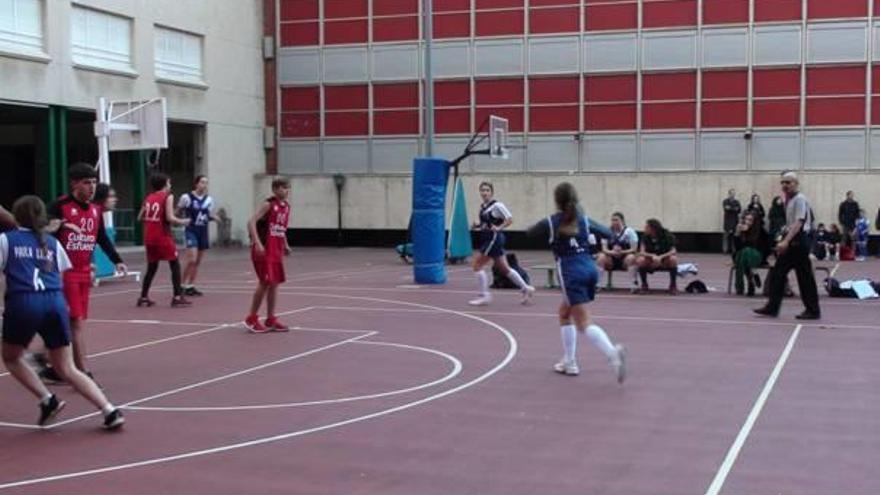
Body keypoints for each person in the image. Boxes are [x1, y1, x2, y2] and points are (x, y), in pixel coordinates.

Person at [1, 196, 124, 429]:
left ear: (16, 217)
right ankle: (109, 409)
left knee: (11, 357)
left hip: (24, 301)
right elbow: (60, 272)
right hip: (55, 301)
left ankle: (47, 399)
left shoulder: (6, 240)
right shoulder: (52, 243)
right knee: (66, 367)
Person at [525, 183, 626, 381]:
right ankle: (569, 362)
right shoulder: (584, 220)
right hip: (590, 269)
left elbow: (530, 233)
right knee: (564, 313)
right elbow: (610, 234)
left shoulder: (552, 222)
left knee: (583, 322)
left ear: (557, 201)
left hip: (572, 273)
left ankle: (613, 354)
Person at [39, 163, 126, 384]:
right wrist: (58, 226)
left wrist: (117, 260)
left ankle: (53, 365)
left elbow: (101, 238)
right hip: (63, 273)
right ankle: (82, 372)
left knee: (72, 322)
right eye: (87, 182)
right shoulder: (60, 206)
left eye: (94, 182)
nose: (92, 187)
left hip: (84, 273)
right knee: (76, 323)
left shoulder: (96, 210)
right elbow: (41, 227)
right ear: (74, 183)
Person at [754, 171, 820, 320]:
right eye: (783, 182)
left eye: (788, 182)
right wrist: (782, 237)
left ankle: (813, 310)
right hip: (792, 241)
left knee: (805, 278)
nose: (785, 185)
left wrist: (786, 241)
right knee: (778, 273)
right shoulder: (788, 201)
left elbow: (799, 222)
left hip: (799, 242)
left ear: (796, 184)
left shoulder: (800, 199)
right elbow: (790, 224)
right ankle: (772, 307)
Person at [468, 182, 535, 306]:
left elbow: (510, 219)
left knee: (477, 265)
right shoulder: (483, 207)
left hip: (493, 239)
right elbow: (487, 224)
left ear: (491, 192)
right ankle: (526, 288)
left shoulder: (497, 205)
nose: (484, 193)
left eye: (487, 190)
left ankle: (484, 296)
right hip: (488, 238)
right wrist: (477, 225)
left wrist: (499, 227)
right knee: (504, 269)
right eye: (482, 190)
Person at [244, 177, 293, 333]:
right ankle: (251, 318)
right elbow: (251, 222)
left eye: (288, 188)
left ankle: (271, 319)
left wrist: (285, 244)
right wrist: (257, 243)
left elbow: (280, 227)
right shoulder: (268, 205)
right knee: (264, 282)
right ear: (275, 189)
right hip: (264, 249)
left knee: (275, 282)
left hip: (276, 250)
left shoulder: (286, 207)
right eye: (284, 187)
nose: (287, 190)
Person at [137, 173, 191, 307]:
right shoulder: (168, 196)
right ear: (164, 184)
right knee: (175, 265)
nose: (170, 185)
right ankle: (177, 296)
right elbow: (170, 218)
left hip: (149, 236)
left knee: (152, 267)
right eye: (169, 183)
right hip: (162, 236)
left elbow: (140, 217)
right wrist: (184, 221)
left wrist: (152, 221)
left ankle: (143, 296)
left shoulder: (149, 197)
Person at [177, 175, 220, 296]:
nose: (204, 185)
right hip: (191, 230)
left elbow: (206, 216)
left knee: (197, 262)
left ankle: (190, 285)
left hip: (203, 231)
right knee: (192, 259)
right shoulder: (186, 197)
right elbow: (177, 212)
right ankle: (180, 285)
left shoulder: (209, 200)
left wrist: (213, 218)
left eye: (206, 183)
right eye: (202, 182)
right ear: (196, 184)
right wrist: (180, 221)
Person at [634, 219, 679, 294]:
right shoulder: (645, 237)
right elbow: (642, 252)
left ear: (653, 228)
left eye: (647, 227)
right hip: (650, 260)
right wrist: (652, 256)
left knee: (673, 259)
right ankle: (644, 285)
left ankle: (673, 285)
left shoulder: (667, 235)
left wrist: (661, 257)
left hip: (664, 259)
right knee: (640, 260)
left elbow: (673, 251)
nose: (644, 228)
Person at [595, 212, 638, 289]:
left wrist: (621, 252)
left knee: (631, 257)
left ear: (622, 221)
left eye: (616, 220)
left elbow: (634, 249)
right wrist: (613, 252)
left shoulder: (629, 232)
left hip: (624, 259)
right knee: (601, 257)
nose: (614, 222)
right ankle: (597, 283)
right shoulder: (606, 232)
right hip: (611, 259)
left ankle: (633, 283)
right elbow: (604, 249)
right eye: (612, 220)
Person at [732, 211, 770, 296]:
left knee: (747, 251)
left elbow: (765, 249)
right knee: (744, 253)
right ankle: (752, 275)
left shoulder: (761, 231)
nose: (747, 222)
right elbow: (738, 248)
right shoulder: (741, 229)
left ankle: (741, 285)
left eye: (750, 220)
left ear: (755, 221)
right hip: (743, 257)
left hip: (757, 256)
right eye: (746, 219)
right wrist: (737, 234)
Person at [722, 189, 742, 254]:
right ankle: (725, 250)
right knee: (726, 236)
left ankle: (734, 250)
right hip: (727, 221)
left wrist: (731, 208)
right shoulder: (725, 201)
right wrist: (734, 209)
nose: (732, 195)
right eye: (731, 193)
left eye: (733, 194)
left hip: (735, 221)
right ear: (729, 194)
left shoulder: (737, 202)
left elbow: (739, 210)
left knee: (734, 237)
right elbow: (726, 208)